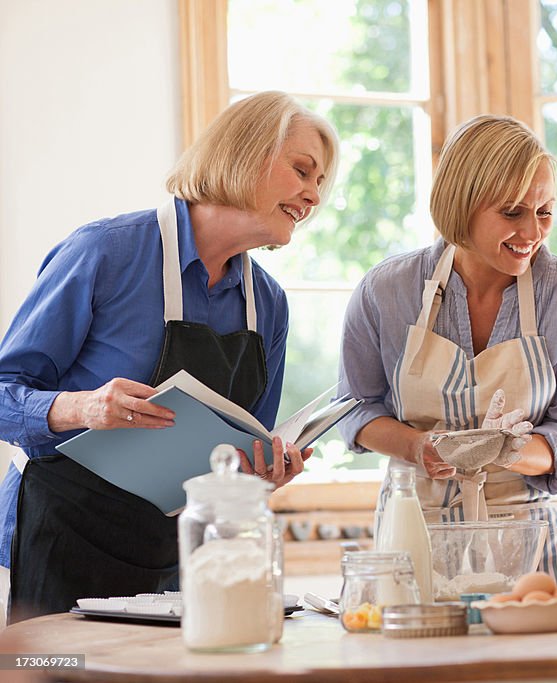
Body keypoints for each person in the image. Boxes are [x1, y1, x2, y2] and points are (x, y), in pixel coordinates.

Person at [0, 91, 338, 623]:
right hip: (60, 537)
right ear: (244, 154)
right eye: (302, 171)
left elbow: (247, 445)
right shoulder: (105, 254)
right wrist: (81, 408)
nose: (313, 195)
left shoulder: (268, 304)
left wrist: (261, 473)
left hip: (176, 557)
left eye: (320, 183)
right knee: (57, 675)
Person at [336, 114, 557, 594]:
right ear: (461, 204)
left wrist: (509, 452)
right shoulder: (386, 291)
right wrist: (418, 449)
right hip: (414, 528)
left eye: (545, 211)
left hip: (533, 541)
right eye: (512, 212)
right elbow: (356, 409)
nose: (533, 231)